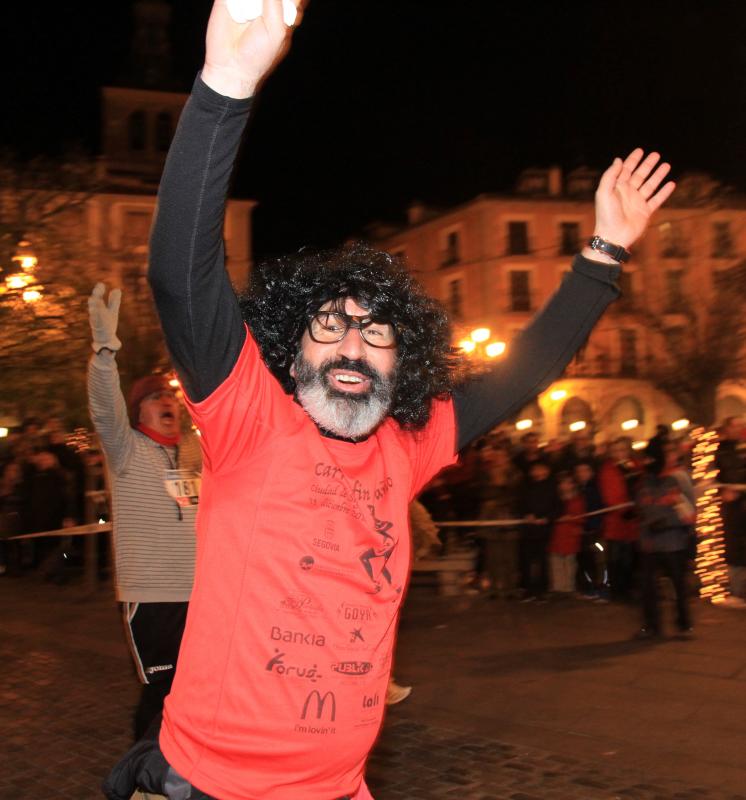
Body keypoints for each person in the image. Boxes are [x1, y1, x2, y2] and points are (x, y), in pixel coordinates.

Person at [102, 3, 675, 798]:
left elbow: (524, 372)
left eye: (377, 335)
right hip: (212, 786)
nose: (352, 346)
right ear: (290, 351)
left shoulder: (409, 446)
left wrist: (604, 250)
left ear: (400, 364)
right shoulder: (248, 420)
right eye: (329, 326)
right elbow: (180, 276)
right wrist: (225, 85)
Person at [87, 284, 202, 740]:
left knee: (197, 689)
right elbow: (103, 407)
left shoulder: (196, 450)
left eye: (169, 398)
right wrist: (103, 350)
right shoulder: (127, 449)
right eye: (156, 399)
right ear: (138, 413)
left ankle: (189, 772)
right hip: (152, 595)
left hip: (203, 593)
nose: (167, 402)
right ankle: (143, 779)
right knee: (161, 692)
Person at [635, 441, 695, 639]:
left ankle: (684, 625)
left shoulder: (677, 479)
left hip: (673, 541)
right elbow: (642, 511)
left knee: (678, 586)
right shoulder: (644, 482)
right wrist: (645, 534)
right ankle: (651, 625)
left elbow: (689, 512)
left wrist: (670, 522)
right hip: (651, 544)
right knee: (648, 588)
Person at [715, 417, 746, 605]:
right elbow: (713, 477)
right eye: (735, 426)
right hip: (732, 504)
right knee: (735, 545)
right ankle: (736, 590)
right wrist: (723, 490)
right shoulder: (720, 451)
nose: (740, 428)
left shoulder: (742, 449)